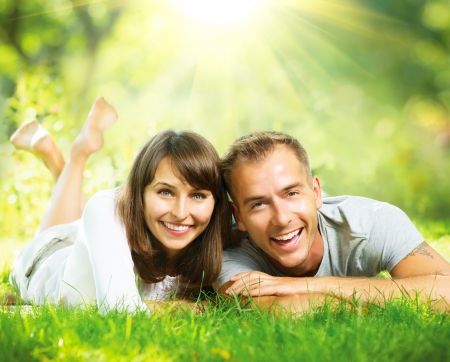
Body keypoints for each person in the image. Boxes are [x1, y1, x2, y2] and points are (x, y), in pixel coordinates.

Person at [9, 96, 232, 313]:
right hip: (48, 256)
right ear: (139, 192)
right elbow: (121, 310)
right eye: (165, 192)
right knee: (83, 221)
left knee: (91, 221)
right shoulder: (106, 208)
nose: (181, 213)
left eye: (198, 196)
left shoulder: (226, 226)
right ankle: (77, 153)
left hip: (95, 233)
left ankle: (55, 158)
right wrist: (203, 307)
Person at [217, 131, 450, 312]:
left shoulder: (372, 222)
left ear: (316, 192)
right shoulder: (225, 252)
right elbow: (288, 311)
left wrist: (302, 285)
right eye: (259, 204)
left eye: (292, 193)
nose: (282, 218)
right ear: (238, 216)